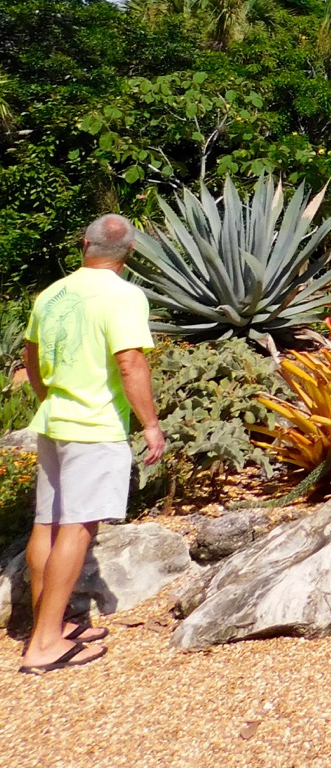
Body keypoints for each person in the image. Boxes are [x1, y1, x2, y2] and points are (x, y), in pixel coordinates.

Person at [19, 214, 165, 674]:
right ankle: (43, 645)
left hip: (55, 421)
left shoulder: (53, 293)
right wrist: (150, 424)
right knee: (78, 528)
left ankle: (49, 624)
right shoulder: (124, 296)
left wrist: (51, 398)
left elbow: (31, 356)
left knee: (48, 523)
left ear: (85, 244)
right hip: (95, 427)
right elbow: (129, 362)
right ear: (131, 254)